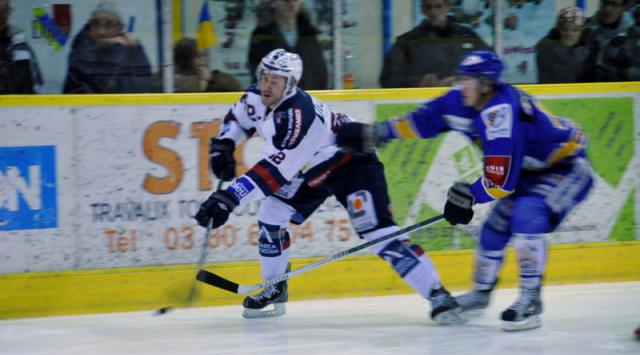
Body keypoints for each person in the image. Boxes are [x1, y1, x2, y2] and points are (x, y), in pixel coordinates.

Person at [195, 48, 463, 324]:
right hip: (310, 169)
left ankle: (437, 294)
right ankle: (274, 287)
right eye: (264, 76)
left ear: (290, 85)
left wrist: (229, 197)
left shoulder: (297, 118)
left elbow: (273, 172)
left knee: (377, 233)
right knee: (271, 214)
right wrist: (224, 146)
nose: (267, 85)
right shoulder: (256, 96)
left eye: (276, 80)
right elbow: (238, 120)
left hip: (350, 164)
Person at [336, 51, 594, 331]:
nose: (461, 85)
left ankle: (531, 299)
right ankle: (481, 294)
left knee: (527, 214)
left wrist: (468, 196)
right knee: (494, 228)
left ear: (486, 84)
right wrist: (379, 132)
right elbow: (422, 121)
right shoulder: (460, 99)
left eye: (469, 80)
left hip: (566, 167)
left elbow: (499, 183)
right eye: (461, 78)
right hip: (528, 171)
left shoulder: (501, 114)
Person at [380, 0, 489, 88]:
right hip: (424, 104)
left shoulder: (467, 37)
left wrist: (462, 80)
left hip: (463, 104)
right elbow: (388, 79)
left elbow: (491, 66)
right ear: (422, 9)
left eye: (438, 6)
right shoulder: (407, 41)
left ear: (447, 7)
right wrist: (418, 82)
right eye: (428, 7)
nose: (433, 12)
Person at [63, 1, 152, 94]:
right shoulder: (81, 48)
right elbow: (99, 86)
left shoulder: (131, 48)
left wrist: (135, 48)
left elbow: (143, 87)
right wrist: (117, 47)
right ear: (90, 26)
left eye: (109, 24)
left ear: (120, 28)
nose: (101, 31)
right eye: (95, 23)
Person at [247, 0, 328, 90]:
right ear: (274, 2)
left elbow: (320, 72)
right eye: (286, 0)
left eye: (295, 0)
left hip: (306, 98)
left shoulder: (309, 33)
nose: (292, 4)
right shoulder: (261, 36)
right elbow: (257, 72)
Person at [157, 37, 241, 93]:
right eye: (197, 57)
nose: (202, 61)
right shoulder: (166, 75)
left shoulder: (204, 76)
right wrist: (200, 83)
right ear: (183, 60)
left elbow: (235, 85)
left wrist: (212, 78)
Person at [535, 7, 597, 84]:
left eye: (575, 30)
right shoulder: (545, 49)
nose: (569, 34)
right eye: (564, 29)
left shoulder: (590, 50)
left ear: (582, 30)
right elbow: (545, 81)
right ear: (558, 29)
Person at [0, 0, 43, 93]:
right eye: (1, 11)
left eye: (5, 10)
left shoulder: (20, 45)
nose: (3, 16)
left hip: (18, 105)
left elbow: (34, 86)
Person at [586, 0, 635, 81]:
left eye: (614, 4)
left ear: (624, 7)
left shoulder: (634, 35)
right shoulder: (584, 29)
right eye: (605, 3)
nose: (607, 9)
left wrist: (617, 73)